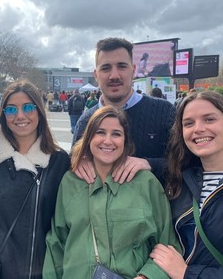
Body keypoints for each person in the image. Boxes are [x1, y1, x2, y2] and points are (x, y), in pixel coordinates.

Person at [43, 106, 180, 279]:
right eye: (100, 132)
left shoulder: (146, 183)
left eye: (116, 134)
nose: (108, 141)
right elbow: (56, 243)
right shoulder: (71, 182)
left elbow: (167, 244)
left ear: (125, 141)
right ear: (88, 138)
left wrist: (147, 276)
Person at [0, 80, 70, 279]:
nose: (20, 116)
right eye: (11, 110)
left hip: (40, 270)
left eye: (28, 107)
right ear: (3, 114)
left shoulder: (59, 161)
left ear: (39, 111)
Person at [73, 37, 176, 185]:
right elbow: (73, 161)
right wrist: (77, 163)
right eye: (106, 68)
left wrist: (150, 164)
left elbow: (186, 162)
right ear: (96, 75)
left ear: (133, 70)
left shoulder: (165, 112)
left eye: (121, 66)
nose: (114, 75)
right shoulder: (85, 120)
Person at [150, 90, 223, 279]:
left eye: (209, 119)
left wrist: (187, 273)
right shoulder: (180, 180)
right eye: (188, 123)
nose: (198, 129)